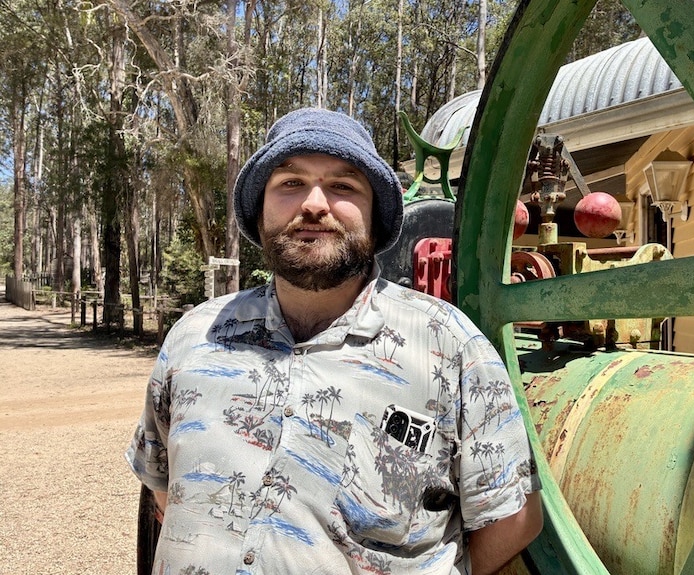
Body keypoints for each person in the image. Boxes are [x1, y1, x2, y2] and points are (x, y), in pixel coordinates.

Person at [126, 107, 543, 575]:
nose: (314, 204)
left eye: (343, 186)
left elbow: (514, 517)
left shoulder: (450, 347)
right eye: (290, 183)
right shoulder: (195, 335)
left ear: (375, 215)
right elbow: (165, 488)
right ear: (259, 208)